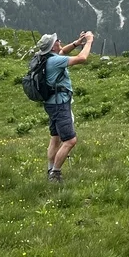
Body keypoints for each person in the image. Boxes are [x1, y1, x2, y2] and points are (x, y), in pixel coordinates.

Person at [33, 31, 93, 182]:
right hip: (60, 105)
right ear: (52, 47)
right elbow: (82, 58)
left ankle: (50, 169)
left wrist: (77, 43)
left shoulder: (43, 57)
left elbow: (63, 51)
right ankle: (55, 173)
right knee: (70, 141)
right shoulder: (55, 61)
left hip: (51, 104)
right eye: (56, 41)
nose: (59, 41)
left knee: (55, 138)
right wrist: (89, 41)